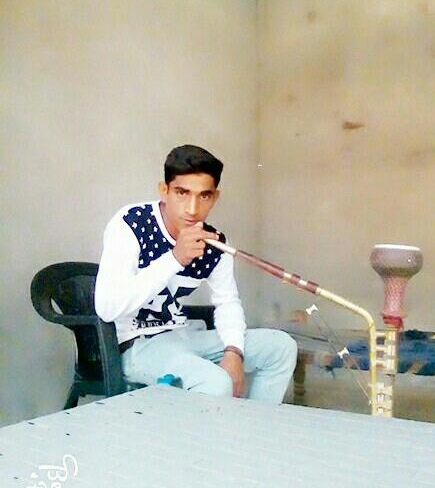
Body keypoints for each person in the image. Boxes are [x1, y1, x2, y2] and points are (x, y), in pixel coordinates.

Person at [95, 144, 297, 403]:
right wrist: (175, 258)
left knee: (280, 347)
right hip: (138, 344)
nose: (192, 208)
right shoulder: (132, 223)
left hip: (185, 335)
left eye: (204, 196)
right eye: (182, 193)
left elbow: (227, 302)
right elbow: (107, 308)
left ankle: (251, 423)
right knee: (214, 381)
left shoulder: (214, 243)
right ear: (164, 190)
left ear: (215, 197)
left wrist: (233, 351)